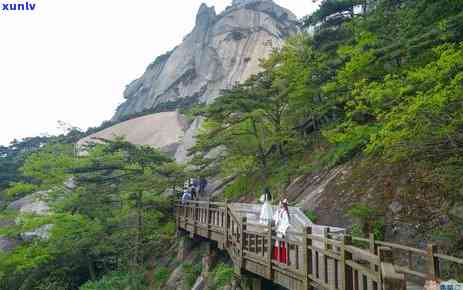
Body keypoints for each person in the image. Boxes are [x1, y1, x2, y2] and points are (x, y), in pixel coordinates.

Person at [273, 199, 290, 264]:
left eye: (281, 204)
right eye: (279, 204)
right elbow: (275, 218)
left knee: (283, 244)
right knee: (279, 243)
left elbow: (287, 222)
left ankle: (283, 259)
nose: (279, 205)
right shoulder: (279, 211)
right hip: (279, 229)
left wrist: (283, 229)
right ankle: (279, 258)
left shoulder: (285, 212)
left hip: (282, 230)